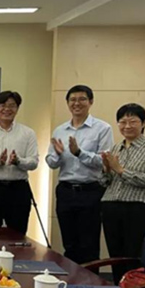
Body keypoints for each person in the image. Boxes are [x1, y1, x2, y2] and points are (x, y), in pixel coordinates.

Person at [46, 85, 113, 264]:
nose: (77, 103)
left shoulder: (102, 128)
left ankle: (89, 281)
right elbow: (51, 163)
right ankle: (71, 280)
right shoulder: (60, 130)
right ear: (67, 103)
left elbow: (104, 162)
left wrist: (79, 153)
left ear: (91, 102)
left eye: (82, 99)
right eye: (72, 100)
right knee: (69, 244)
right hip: (65, 191)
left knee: (89, 246)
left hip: (91, 191)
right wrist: (58, 154)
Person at [100, 103, 145, 284]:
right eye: (122, 122)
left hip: (138, 208)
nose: (127, 126)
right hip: (111, 206)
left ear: (144, 123)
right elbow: (105, 182)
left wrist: (121, 170)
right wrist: (106, 169)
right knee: (116, 256)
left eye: (133, 121)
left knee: (134, 257)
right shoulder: (115, 149)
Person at [0, 91, 39, 235]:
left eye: (12, 105)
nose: (7, 109)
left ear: (17, 108)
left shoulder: (28, 133)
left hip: (18, 189)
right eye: (2, 105)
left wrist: (18, 161)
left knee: (18, 233)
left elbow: (34, 162)